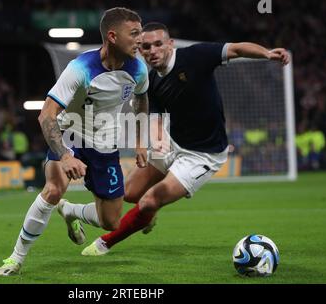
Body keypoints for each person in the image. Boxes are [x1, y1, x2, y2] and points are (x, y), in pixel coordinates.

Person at [74, 22, 290, 256]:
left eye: (158, 44)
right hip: (172, 142)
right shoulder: (150, 79)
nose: (152, 51)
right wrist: (155, 141)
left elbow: (236, 49)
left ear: (170, 44)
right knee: (129, 193)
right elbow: (154, 117)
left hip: (203, 155)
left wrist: (267, 54)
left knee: (147, 202)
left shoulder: (196, 56)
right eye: (146, 47)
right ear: (141, 50)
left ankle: (104, 243)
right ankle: (143, 215)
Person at [0, 7, 149, 276]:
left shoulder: (138, 69)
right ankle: (15, 259)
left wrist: (141, 140)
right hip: (71, 133)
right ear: (112, 36)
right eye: (133, 33)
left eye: (140, 33)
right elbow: (46, 115)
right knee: (53, 190)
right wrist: (65, 155)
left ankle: (71, 211)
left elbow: (142, 99)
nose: (140, 39)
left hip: (104, 143)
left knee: (111, 221)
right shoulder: (80, 68)